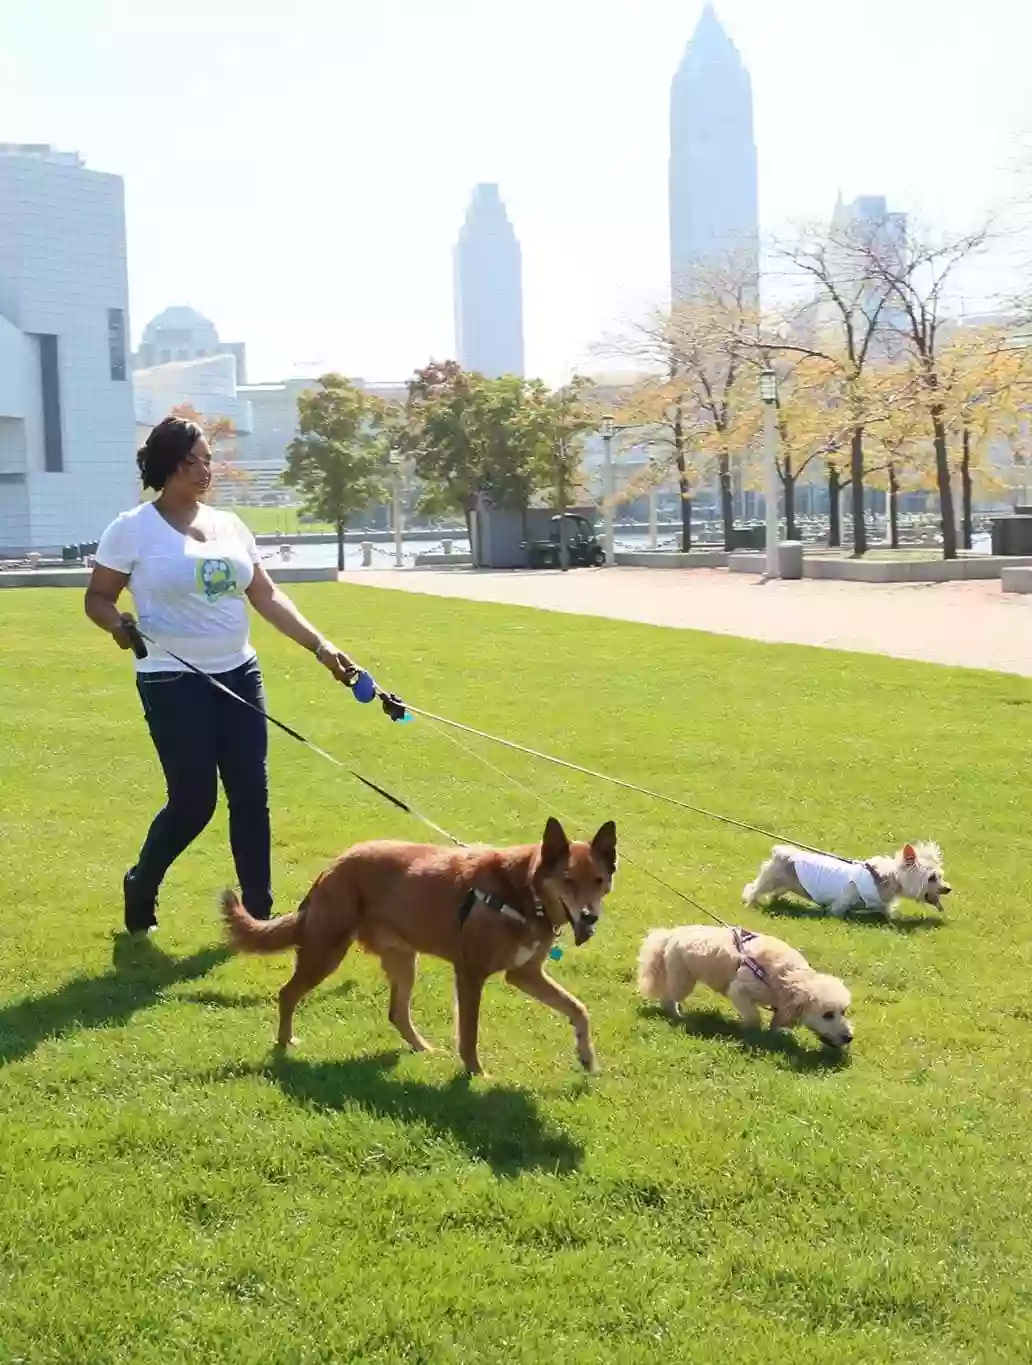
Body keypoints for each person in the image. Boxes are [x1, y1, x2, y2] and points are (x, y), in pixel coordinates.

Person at [85, 414, 358, 933]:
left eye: (209, 459)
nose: (205, 470)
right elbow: (98, 597)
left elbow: (267, 595)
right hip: (171, 679)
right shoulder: (131, 529)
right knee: (193, 802)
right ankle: (141, 882)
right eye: (194, 461)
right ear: (167, 465)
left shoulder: (230, 525)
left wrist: (322, 648)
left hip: (239, 673)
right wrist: (118, 625)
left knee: (251, 793)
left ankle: (259, 915)